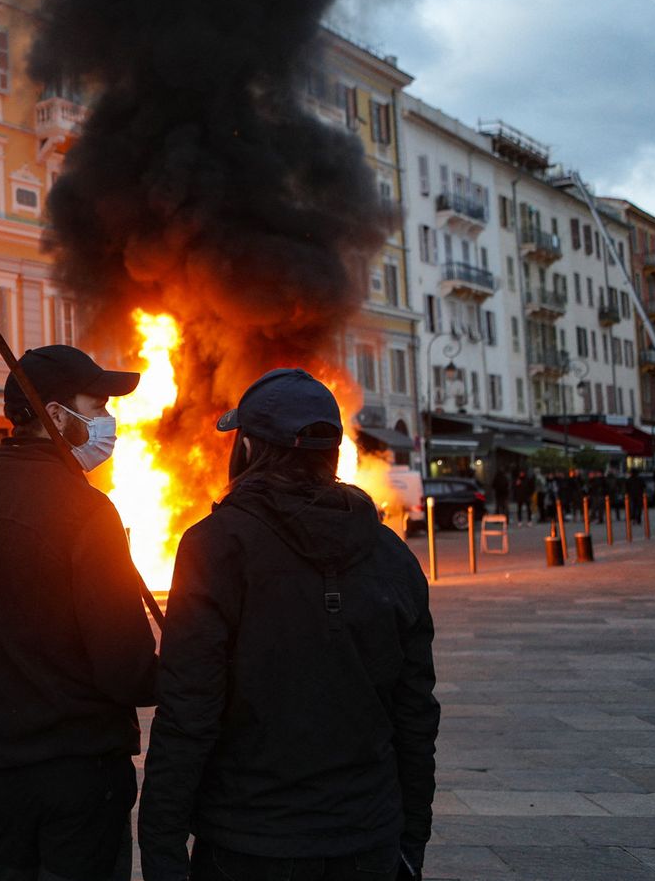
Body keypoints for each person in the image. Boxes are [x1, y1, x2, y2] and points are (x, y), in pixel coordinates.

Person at [139, 368, 439, 881]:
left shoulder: (215, 546)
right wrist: (411, 839)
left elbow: (189, 710)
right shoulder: (393, 555)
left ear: (250, 450)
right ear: (332, 454)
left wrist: (162, 847)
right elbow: (415, 715)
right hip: (367, 838)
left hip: (248, 843)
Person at [0, 344, 158, 881]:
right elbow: (126, 666)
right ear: (54, 415)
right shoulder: (86, 511)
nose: (107, 422)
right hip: (81, 767)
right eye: (94, 408)